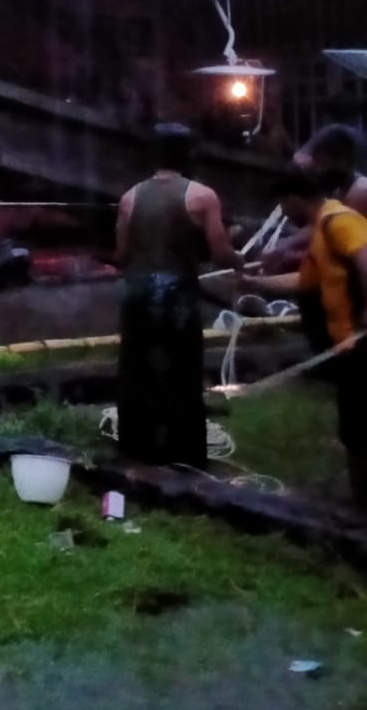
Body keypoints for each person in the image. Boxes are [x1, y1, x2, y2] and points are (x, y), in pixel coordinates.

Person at [114, 124, 243, 467]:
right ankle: (183, 455)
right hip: (177, 300)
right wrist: (238, 257)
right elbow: (220, 252)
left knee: (138, 373)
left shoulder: (129, 197)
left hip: (138, 296)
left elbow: (121, 253)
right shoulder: (202, 196)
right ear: (188, 154)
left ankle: (137, 451)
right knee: (182, 374)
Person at [243, 166, 367, 506]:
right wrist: (254, 284)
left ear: (293, 199)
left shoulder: (338, 221)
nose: (283, 214)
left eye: (283, 205)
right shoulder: (321, 234)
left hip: (361, 343)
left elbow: (365, 257)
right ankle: (359, 504)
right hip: (347, 348)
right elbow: (304, 282)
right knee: (354, 427)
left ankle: (360, 512)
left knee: (359, 429)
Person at [261, 125, 367, 275]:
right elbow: (320, 228)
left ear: (342, 161)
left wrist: (291, 256)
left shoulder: (359, 192)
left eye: (323, 163)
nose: (317, 170)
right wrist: (287, 245)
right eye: (317, 163)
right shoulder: (338, 189)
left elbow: (336, 246)